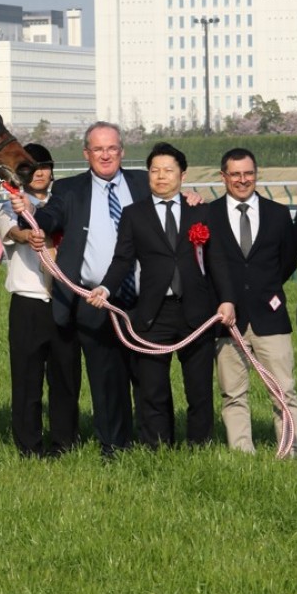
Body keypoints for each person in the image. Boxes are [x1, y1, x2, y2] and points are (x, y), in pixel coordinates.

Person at [9, 121, 149, 458]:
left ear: (122, 151)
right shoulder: (70, 190)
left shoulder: (143, 183)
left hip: (143, 299)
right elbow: (50, 216)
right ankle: (113, 447)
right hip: (94, 300)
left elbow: (172, 203)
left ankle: (154, 444)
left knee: (148, 377)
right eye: (98, 149)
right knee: (105, 378)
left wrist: (187, 197)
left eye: (112, 148)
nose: (105, 155)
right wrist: (32, 218)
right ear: (86, 153)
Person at [86, 143, 235, 448]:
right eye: (154, 170)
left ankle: (200, 447)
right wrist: (104, 288)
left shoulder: (200, 210)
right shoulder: (134, 214)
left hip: (197, 312)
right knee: (152, 388)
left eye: (168, 170)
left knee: (199, 389)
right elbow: (122, 260)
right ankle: (157, 448)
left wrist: (227, 299)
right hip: (153, 313)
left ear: (183, 174)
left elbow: (217, 260)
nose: (161, 176)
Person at [212, 148, 297, 455]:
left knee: (284, 391)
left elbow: (287, 260)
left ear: (256, 173)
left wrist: (267, 291)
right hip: (228, 318)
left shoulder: (278, 214)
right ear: (223, 176)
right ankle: (242, 455)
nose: (242, 180)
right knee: (233, 393)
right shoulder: (208, 215)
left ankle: (291, 450)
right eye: (235, 174)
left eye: (248, 173)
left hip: (270, 317)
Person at [0, 143, 81, 457]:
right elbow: (14, 232)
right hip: (28, 303)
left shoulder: (66, 204)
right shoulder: (14, 205)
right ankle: (28, 445)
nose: (40, 172)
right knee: (26, 379)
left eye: (44, 166)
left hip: (64, 300)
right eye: (33, 167)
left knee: (65, 376)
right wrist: (29, 233)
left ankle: (65, 442)